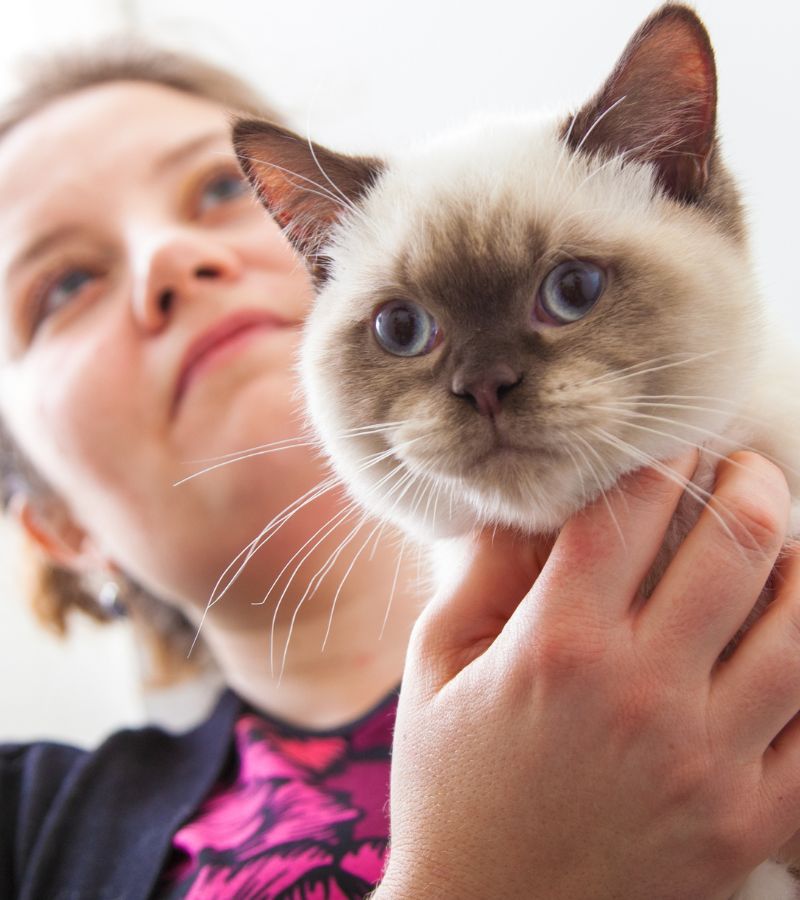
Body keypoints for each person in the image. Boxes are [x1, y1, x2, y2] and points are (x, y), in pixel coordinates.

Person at [0, 38, 799, 900]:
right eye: (65, 283)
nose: (168, 259)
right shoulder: (28, 830)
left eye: (221, 189)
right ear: (58, 525)